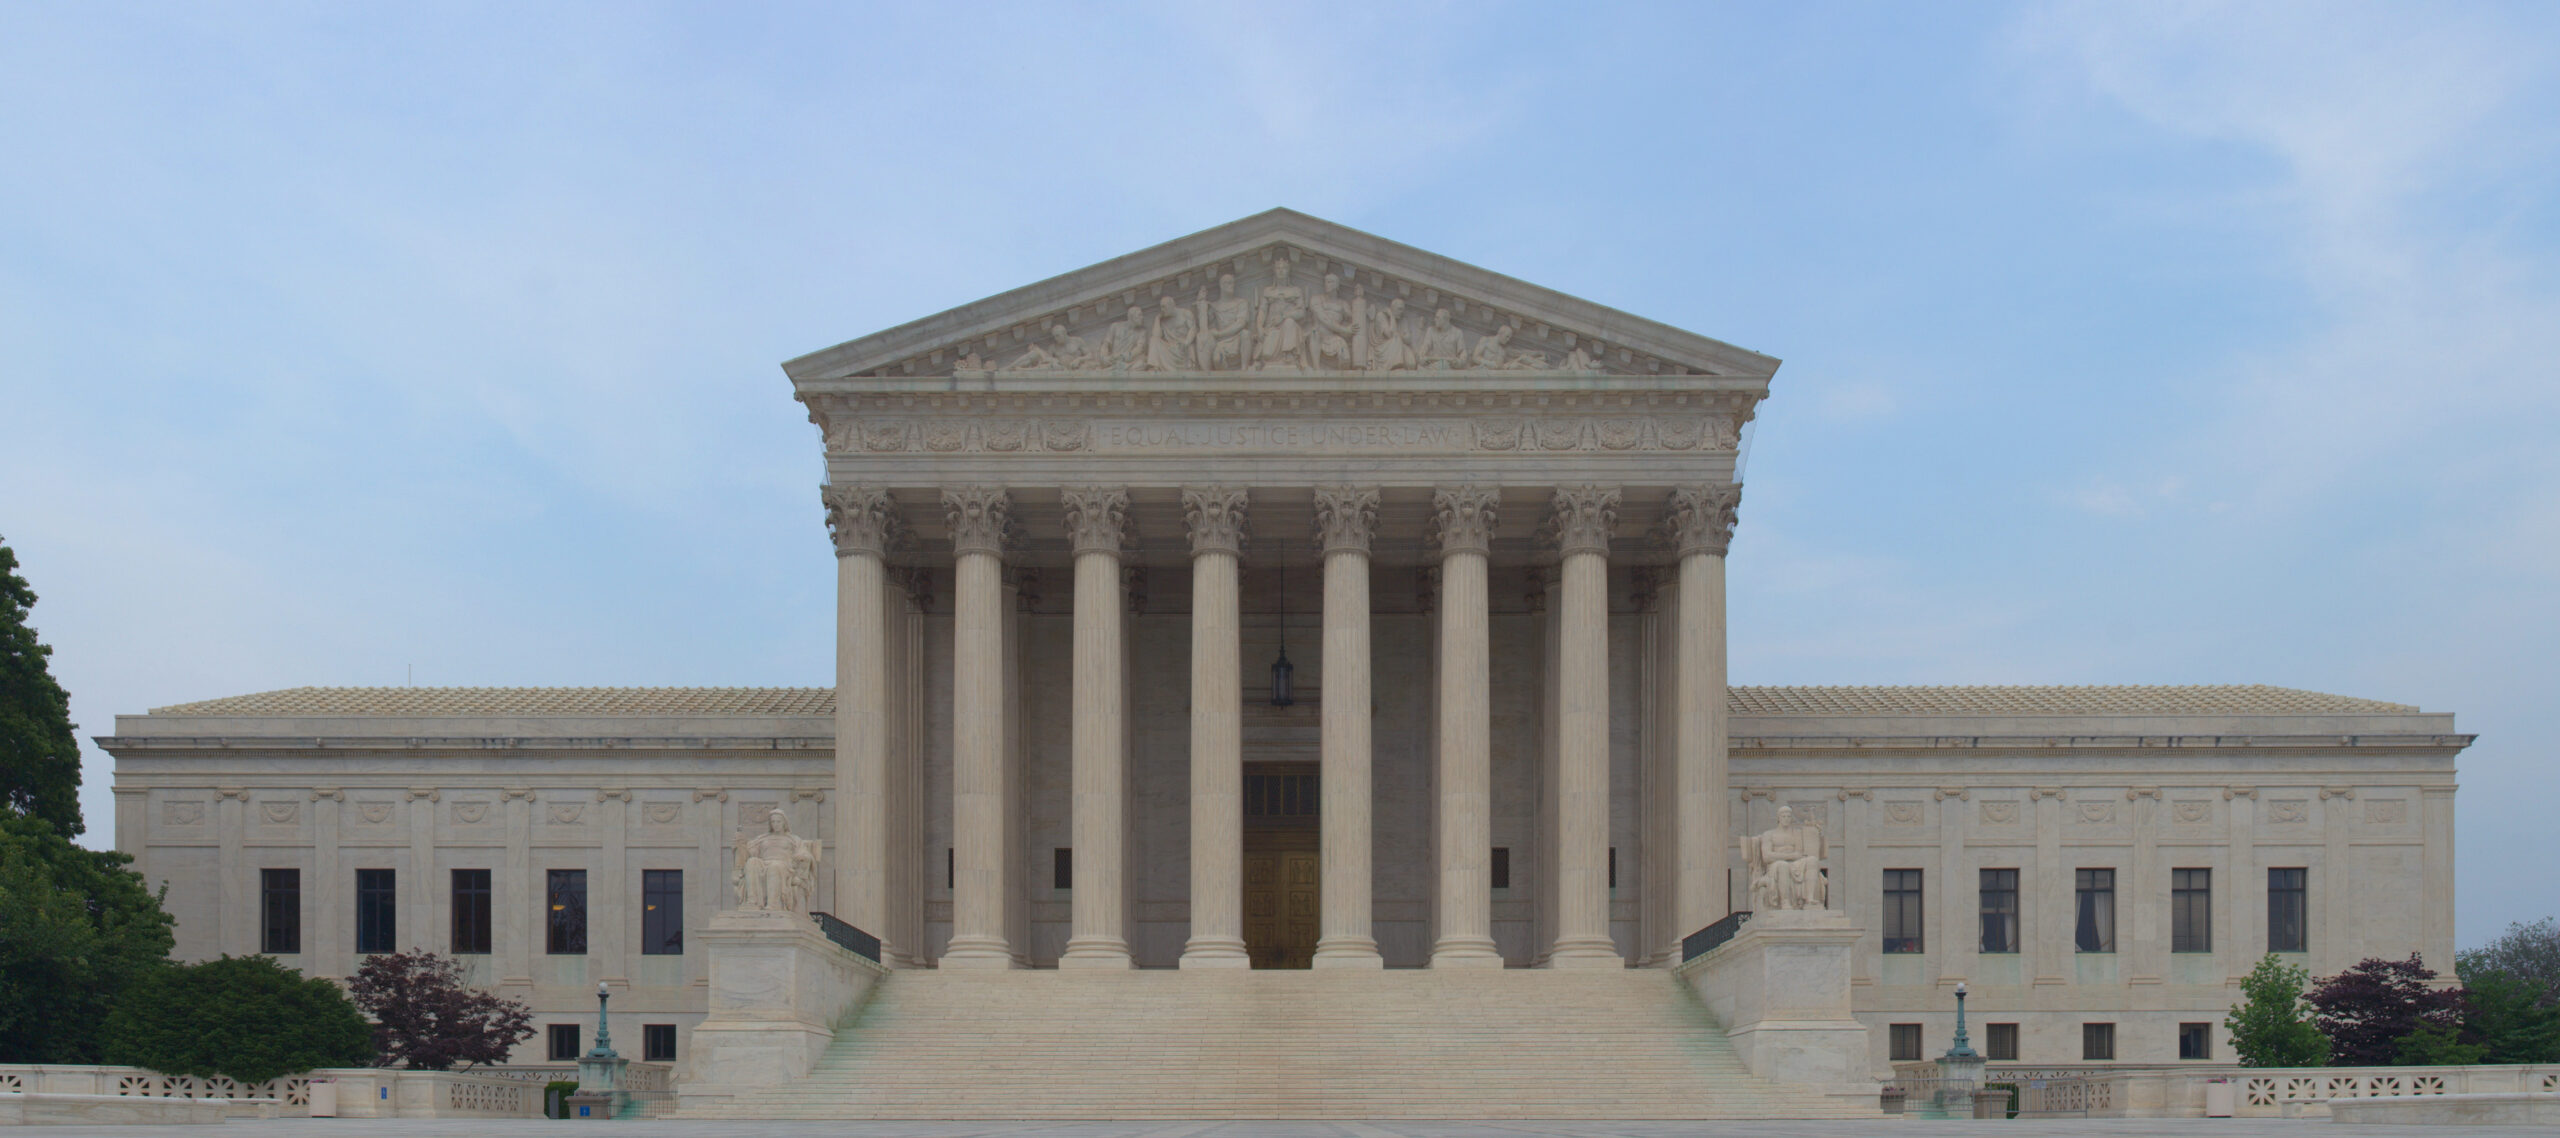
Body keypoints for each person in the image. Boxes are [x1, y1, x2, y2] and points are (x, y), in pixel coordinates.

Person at [732, 810, 821, 912]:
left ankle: (774, 905)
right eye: (773, 822)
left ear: (784, 823)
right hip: (764, 863)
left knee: (774, 866)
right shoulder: (762, 838)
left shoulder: (793, 839)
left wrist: (801, 856)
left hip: (785, 866)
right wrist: (740, 844)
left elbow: (805, 854)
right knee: (752, 862)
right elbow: (749, 852)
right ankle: (753, 902)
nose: (776, 824)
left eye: (778, 822)